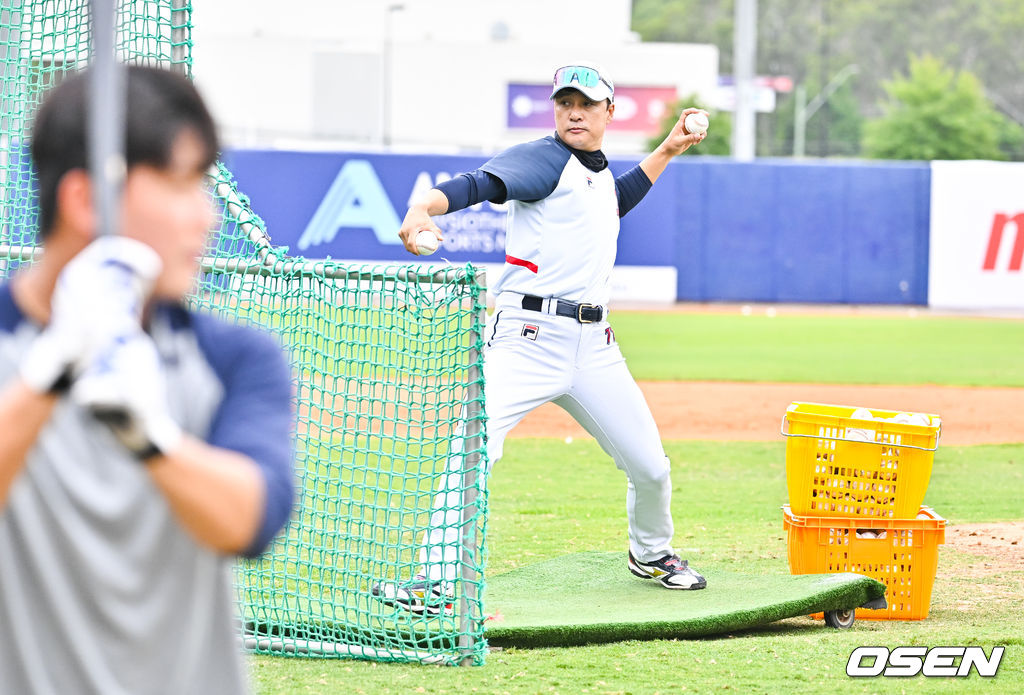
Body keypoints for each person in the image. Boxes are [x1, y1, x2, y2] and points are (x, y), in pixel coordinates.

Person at [0, 66, 295, 694]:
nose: (206, 217)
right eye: (182, 184)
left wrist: (150, 438)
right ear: (84, 200)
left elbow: (251, 519)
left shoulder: (233, 356)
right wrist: (51, 373)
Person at [373, 62, 708, 615]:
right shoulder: (543, 158)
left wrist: (668, 148)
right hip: (525, 338)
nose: (574, 112)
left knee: (650, 466)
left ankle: (651, 552)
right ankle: (433, 582)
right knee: (472, 449)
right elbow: (475, 185)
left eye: (586, 103)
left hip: (594, 346)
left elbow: (615, 197)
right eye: (564, 102)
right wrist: (419, 209)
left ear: (609, 112)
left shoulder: (593, 173)